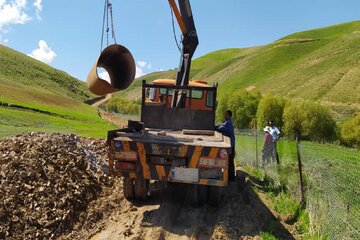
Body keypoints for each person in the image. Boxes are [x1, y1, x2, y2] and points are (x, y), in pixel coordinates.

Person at [215, 110, 235, 181]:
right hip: (231, 144)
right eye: (225, 114)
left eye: (226, 115)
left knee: (230, 161)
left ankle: (231, 178)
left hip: (230, 145)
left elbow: (222, 128)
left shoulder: (228, 122)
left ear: (229, 115)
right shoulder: (229, 122)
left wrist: (215, 127)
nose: (225, 116)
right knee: (230, 161)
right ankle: (231, 177)